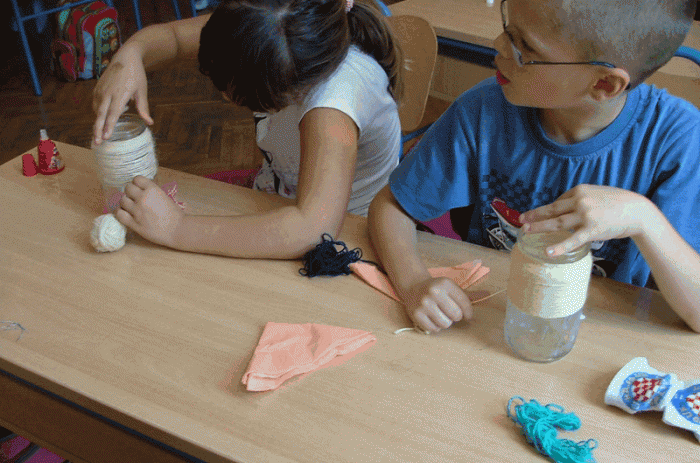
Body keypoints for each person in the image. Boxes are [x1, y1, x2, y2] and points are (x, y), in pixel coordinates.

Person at [369, 0, 700, 333]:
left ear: (603, 84)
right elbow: (392, 206)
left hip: (602, 333)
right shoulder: (483, 109)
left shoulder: (678, 141)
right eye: (507, 29)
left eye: (525, 46)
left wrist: (644, 218)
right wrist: (413, 283)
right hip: (495, 317)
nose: (499, 45)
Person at [92, 0, 402, 258]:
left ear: (294, 87)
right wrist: (131, 54)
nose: (226, 97)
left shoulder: (334, 109)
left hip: (353, 235)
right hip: (278, 196)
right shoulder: (260, 26)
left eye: (238, 93)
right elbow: (173, 37)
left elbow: (312, 230)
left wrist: (177, 228)